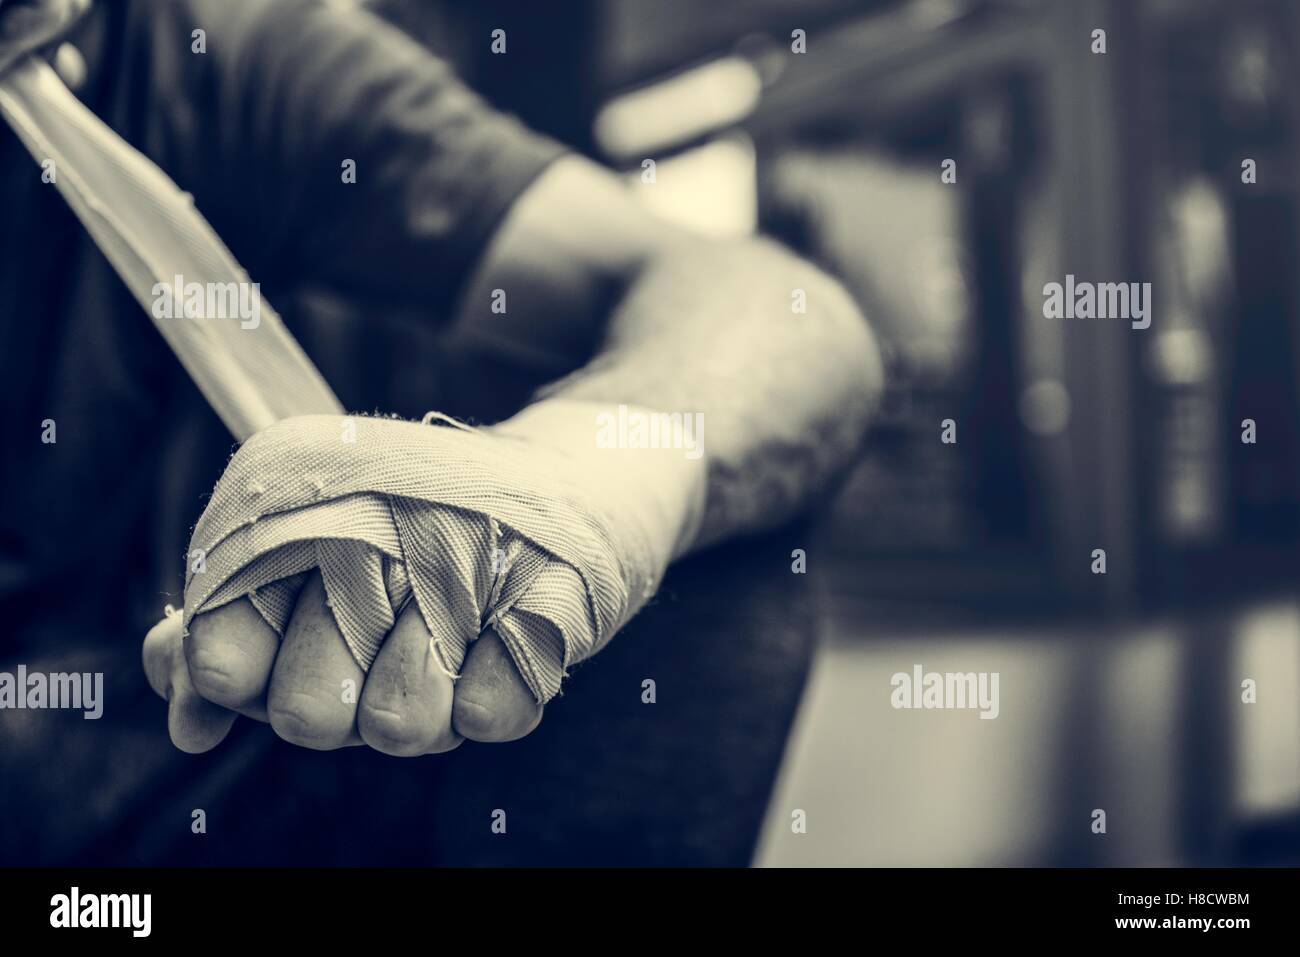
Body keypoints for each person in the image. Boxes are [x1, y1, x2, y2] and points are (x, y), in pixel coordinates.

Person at [0, 0, 881, 863]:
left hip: (105, 738)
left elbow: (779, 315)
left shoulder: (180, 49)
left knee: (691, 570)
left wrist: (578, 488)